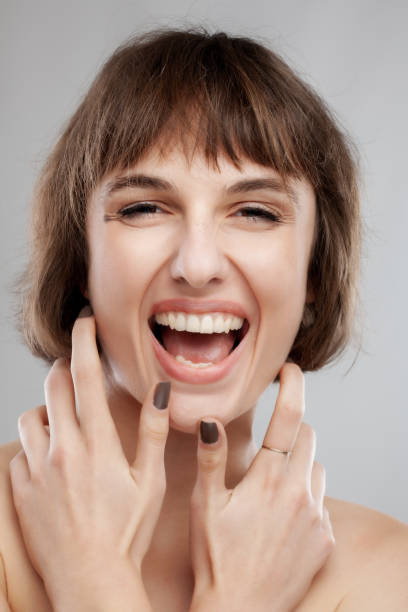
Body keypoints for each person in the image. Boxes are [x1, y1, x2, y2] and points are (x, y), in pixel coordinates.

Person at [0, 27, 407, 611]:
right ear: (79, 259)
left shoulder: (392, 576)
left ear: (314, 269)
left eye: (256, 211)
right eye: (143, 207)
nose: (197, 264)